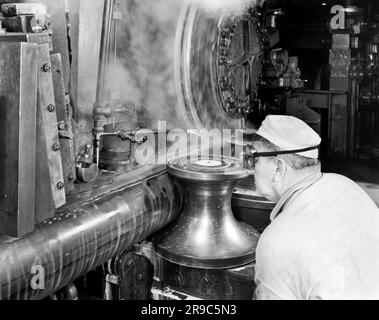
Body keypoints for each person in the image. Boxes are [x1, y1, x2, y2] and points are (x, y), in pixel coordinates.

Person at [244, 115, 379, 300]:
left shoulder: (277, 243)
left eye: (253, 158)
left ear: (278, 168)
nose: (250, 168)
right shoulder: (346, 185)